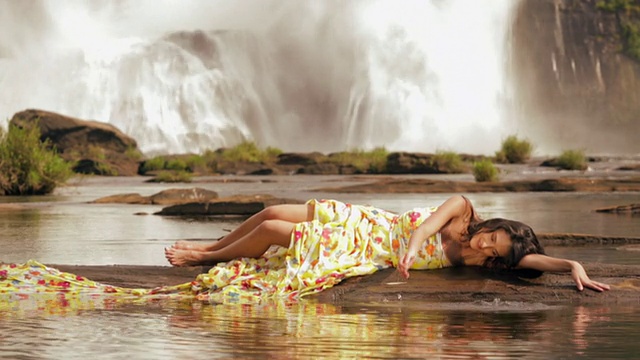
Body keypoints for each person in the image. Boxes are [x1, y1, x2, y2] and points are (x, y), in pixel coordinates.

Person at [165, 195, 610, 299]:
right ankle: (214, 245)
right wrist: (415, 250)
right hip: (370, 223)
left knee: (277, 231)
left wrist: (572, 264)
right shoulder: (462, 209)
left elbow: (533, 259)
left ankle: (203, 258)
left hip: (365, 249)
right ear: (494, 223)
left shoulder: (493, 254)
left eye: (494, 247)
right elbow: (425, 227)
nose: (484, 244)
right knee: (269, 212)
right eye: (491, 234)